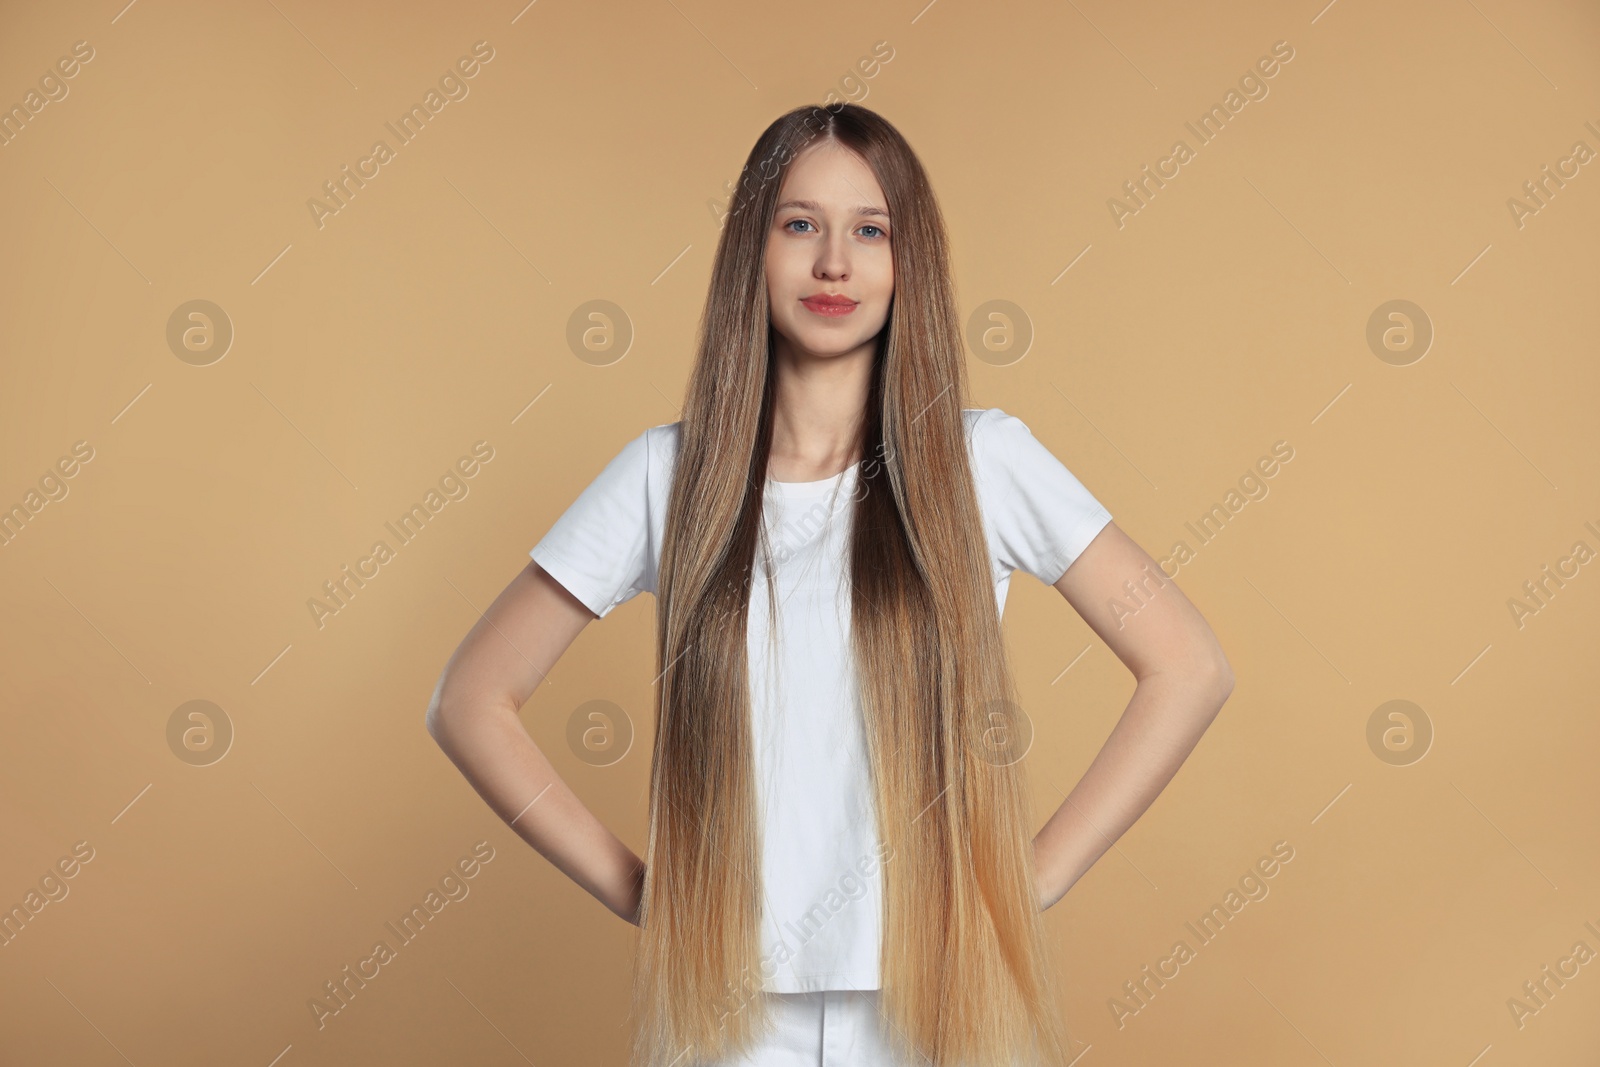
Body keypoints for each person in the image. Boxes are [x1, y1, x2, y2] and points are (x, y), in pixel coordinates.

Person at [425, 103, 1234, 1067]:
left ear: (908, 263)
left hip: (936, 1010)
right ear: (751, 253)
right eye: (800, 224)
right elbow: (470, 700)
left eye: (872, 230)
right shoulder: (665, 477)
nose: (835, 264)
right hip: (723, 1017)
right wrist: (645, 890)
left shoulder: (984, 463)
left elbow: (1188, 665)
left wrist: (1027, 881)